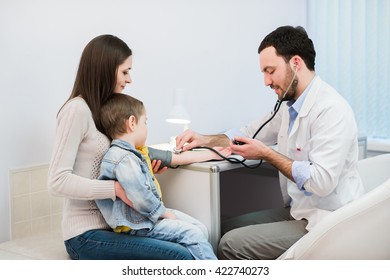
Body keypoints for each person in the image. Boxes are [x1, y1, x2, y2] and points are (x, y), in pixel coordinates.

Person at [175, 25, 364, 260]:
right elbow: (248, 132)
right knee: (221, 229)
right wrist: (205, 138)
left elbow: (321, 182)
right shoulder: (289, 107)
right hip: (301, 212)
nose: (266, 81)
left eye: (270, 70)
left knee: (231, 245)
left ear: (295, 63)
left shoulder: (331, 109)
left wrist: (267, 154)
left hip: (327, 221)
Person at [47, 34, 196, 260]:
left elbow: (107, 165)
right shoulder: (76, 110)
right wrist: (116, 189)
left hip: (116, 226)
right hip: (85, 235)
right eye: (125, 71)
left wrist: (140, 170)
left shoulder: (102, 110)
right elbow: (57, 182)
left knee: (198, 235)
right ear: (105, 69)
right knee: (180, 256)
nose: (129, 79)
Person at [96, 93, 231, 260]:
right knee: (193, 234)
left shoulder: (137, 153)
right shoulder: (123, 158)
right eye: (144, 122)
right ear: (132, 123)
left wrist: (213, 154)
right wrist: (163, 213)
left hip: (147, 216)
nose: (146, 128)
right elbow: (139, 196)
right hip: (139, 223)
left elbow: (176, 158)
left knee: (200, 228)